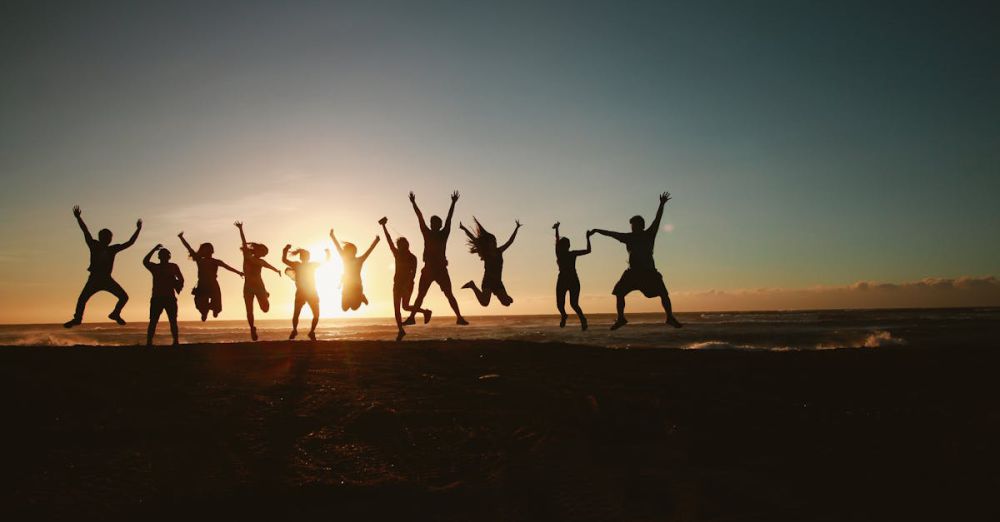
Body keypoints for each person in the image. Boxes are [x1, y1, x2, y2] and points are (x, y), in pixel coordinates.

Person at [591, 192, 683, 330]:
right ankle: (621, 318)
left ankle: (669, 317)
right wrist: (598, 230)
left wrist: (661, 204)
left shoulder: (649, 234)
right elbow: (612, 234)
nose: (632, 228)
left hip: (648, 272)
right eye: (632, 226)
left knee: (664, 294)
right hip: (633, 273)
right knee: (619, 293)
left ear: (641, 225)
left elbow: (657, 219)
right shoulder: (628, 237)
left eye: (634, 225)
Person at [64, 205, 142, 328]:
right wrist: (79, 218)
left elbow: (130, 243)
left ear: (111, 239)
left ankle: (115, 314)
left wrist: (138, 229)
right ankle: (77, 319)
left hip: (106, 279)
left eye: (109, 237)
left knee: (124, 297)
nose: (108, 239)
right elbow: (85, 231)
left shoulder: (113, 249)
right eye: (105, 237)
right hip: (94, 279)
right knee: (82, 299)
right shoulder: (94, 245)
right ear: (101, 238)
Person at [404, 191, 468, 325]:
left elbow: (449, 219)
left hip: (440, 270)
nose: (433, 225)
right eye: (432, 223)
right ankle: (412, 318)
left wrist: (453, 203)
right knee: (421, 295)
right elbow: (419, 217)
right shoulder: (427, 233)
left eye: (435, 223)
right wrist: (413, 203)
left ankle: (459, 317)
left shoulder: (443, 234)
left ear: (438, 225)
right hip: (428, 269)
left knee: (449, 294)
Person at [379, 217, 432, 341]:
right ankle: (401, 331)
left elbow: (413, 274)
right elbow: (389, 241)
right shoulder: (397, 254)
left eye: (403, 245)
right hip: (397, 284)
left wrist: (406, 284)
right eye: (400, 245)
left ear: (407, 245)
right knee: (398, 308)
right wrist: (384, 226)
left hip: (407, 285)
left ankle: (425, 312)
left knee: (405, 307)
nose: (401, 246)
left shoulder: (412, 257)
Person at [178, 232, 244, 321]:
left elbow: (227, 267)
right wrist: (181, 238)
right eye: (205, 249)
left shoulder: (216, 261)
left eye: (209, 249)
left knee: (217, 305)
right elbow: (189, 248)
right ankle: (204, 312)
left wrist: (239, 272)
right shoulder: (199, 260)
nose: (208, 251)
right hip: (202, 284)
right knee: (200, 303)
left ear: (212, 251)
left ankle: (214, 310)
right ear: (203, 251)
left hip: (213, 284)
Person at [235, 221, 281, 341]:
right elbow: (244, 242)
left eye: (265, 254)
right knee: (249, 310)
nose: (264, 255)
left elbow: (268, 265)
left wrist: (277, 270)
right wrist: (240, 229)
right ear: (257, 250)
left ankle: (265, 295)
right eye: (263, 252)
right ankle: (252, 329)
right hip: (248, 287)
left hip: (259, 287)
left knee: (265, 309)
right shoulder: (247, 256)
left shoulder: (261, 261)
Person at [459, 218, 521, 307]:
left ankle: (504, 297)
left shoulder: (499, 251)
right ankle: (472, 285)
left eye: (494, 241)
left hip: (498, 281)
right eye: (492, 241)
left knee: (506, 303)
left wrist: (517, 228)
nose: (494, 243)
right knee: (485, 303)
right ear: (488, 243)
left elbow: (510, 241)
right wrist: (464, 228)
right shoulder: (486, 253)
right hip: (488, 281)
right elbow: (473, 238)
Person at [283, 244, 329, 340]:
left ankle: (309, 332)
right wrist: (285, 250)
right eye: (306, 256)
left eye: (307, 256)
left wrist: (328, 254)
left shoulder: (309, 265)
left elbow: (325, 262)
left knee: (314, 314)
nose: (307, 257)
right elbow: (284, 260)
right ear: (302, 257)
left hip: (310, 292)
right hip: (304, 292)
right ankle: (297, 330)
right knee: (302, 314)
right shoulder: (298, 265)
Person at [553, 222, 593, 330]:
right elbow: (556, 241)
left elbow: (588, 251)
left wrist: (588, 238)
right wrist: (556, 229)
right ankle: (564, 315)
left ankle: (583, 319)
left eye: (567, 245)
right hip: (563, 279)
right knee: (560, 304)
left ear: (569, 246)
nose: (566, 246)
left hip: (572, 280)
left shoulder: (572, 254)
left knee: (574, 304)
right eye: (564, 245)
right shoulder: (559, 253)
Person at [142, 244, 183, 346]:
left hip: (168, 297)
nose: (164, 257)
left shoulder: (173, 266)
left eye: (165, 255)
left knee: (172, 320)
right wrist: (153, 249)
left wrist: (177, 285)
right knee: (154, 321)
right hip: (158, 297)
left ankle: (175, 341)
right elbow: (145, 262)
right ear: (160, 257)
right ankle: (149, 342)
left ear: (168, 256)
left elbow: (181, 279)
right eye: (162, 255)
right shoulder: (155, 267)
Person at [329, 228, 379, 311]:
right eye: (346, 251)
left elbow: (369, 251)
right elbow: (338, 247)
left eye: (349, 251)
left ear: (354, 252)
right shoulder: (344, 259)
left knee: (354, 307)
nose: (346, 253)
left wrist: (376, 241)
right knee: (345, 308)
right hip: (347, 286)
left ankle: (361, 297)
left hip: (357, 287)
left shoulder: (359, 260)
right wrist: (332, 236)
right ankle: (359, 297)